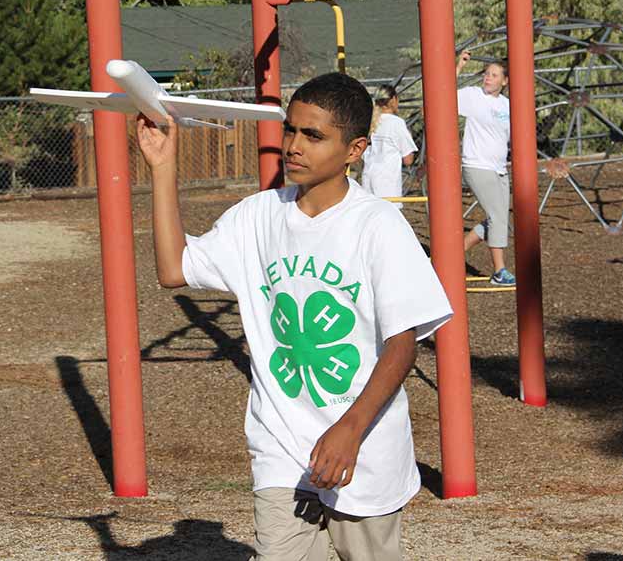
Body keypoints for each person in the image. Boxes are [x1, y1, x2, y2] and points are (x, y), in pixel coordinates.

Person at [137, 72, 452, 561]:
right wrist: (162, 167)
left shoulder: (377, 225)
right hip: (281, 445)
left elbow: (403, 343)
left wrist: (349, 430)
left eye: (314, 135)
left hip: (364, 452)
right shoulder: (256, 217)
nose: (294, 146)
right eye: (290, 130)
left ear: (355, 150)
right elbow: (174, 268)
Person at [455, 50, 516, 286]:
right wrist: (459, 65)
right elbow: (442, 91)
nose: (488, 78)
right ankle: (500, 271)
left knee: (499, 220)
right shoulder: (473, 96)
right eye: (487, 74)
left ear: (505, 80)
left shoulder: (507, 105)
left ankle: (452, 255)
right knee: (497, 217)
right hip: (477, 164)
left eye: (494, 75)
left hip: (499, 168)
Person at [361, 85, 418, 208]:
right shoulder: (396, 123)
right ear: (393, 100)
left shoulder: (370, 121)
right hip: (387, 183)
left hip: (368, 178)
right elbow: (408, 159)